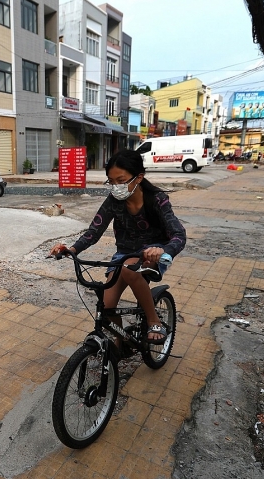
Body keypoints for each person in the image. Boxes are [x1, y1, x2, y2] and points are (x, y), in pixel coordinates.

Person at [49, 149, 186, 352]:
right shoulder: (114, 201)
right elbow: (94, 232)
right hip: (123, 256)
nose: (115, 187)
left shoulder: (157, 199)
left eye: (120, 181)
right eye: (111, 182)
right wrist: (72, 249)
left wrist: (163, 249)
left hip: (152, 255)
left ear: (139, 177)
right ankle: (121, 342)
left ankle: (153, 320)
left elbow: (179, 235)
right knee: (107, 306)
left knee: (129, 269)